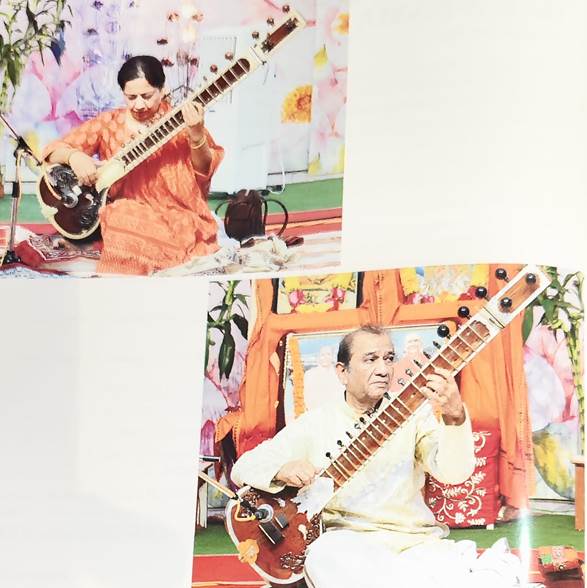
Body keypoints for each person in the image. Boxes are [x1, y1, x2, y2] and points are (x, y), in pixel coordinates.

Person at [231, 325, 522, 588]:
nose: (383, 369)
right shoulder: (316, 423)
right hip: (353, 547)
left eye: (389, 358)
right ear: (342, 372)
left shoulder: (414, 416)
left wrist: (455, 416)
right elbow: (244, 467)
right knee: (323, 555)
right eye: (370, 360)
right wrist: (282, 469)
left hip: (414, 543)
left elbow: (454, 473)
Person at [43, 55, 224, 275]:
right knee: (119, 214)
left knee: (127, 219)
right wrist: (74, 157)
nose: (139, 105)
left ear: (162, 90)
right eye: (131, 97)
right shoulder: (109, 123)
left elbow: (204, 170)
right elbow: (52, 151)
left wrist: (196, 136)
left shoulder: (181, 121)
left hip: (177, 215)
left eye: (147, 96)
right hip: (128, 214)